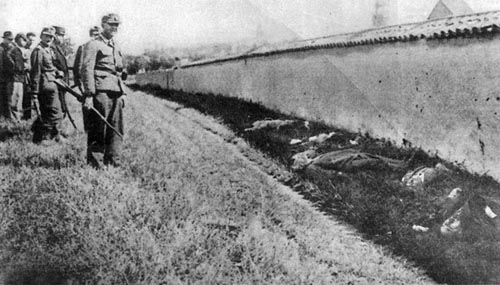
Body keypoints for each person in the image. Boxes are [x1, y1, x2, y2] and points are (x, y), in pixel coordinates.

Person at [81, 13, 126, 168]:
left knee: (116, 127)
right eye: (111, 24)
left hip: (116, 91)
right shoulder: (93, 44)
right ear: (103, 25)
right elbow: (86, 69)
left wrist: (123, 92)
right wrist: (89, 94)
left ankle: (114, 161)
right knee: (99, 126)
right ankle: (96, 163)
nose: (114, 27)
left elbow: (118, 71)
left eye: (117, 25)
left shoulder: (116, 45)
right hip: (100, 91)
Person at [29, 27, 65, 144]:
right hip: (45, 84)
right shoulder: (38, 51)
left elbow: (50, 66)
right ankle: (45, 137)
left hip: (52, 81)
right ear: (41, 36)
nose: (49, 38)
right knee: (51, 111)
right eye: (46, 36)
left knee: (54, 110)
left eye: (51, 36)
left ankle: (52, 135)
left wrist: (56, 71)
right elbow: (36, 71)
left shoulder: (49, 49)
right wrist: (34, 91)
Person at [74, 26, 100, 132]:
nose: (96, 37)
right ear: (90, 35)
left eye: (98, 35)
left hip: (100, 83)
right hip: (87, 83)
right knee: (88, 108)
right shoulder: (83, 47)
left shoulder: (104, 47)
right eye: (94, 34)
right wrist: (80, 84)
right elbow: (78, 67)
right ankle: (88, 132)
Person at [6, 33, 28, 121]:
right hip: (14, 78)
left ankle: (17, 119)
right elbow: (14, 65)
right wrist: (25, 66)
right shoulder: (14, 50)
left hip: (18, 78)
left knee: (17, 99)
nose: (25, 42)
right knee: (14, 99)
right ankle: (14, 120)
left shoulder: (17, 50)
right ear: (18, 40)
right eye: (23, 40)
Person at [23, 32, 37, 119]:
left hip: (33, 75)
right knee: (26, 96)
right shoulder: (22, 50)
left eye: (33, 40)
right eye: (29, 40)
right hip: (25, 76)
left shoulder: (34, 50)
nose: (31, 42)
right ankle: (26, 115)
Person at [0, 31, 14, 118]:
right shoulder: (1, 49)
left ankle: (6, 116)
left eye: (12, 39)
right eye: (9, 39)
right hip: (2, 77)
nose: (10, 41)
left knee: (7, 97)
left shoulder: (11, 48)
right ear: (4, 39)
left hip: (8, 77)